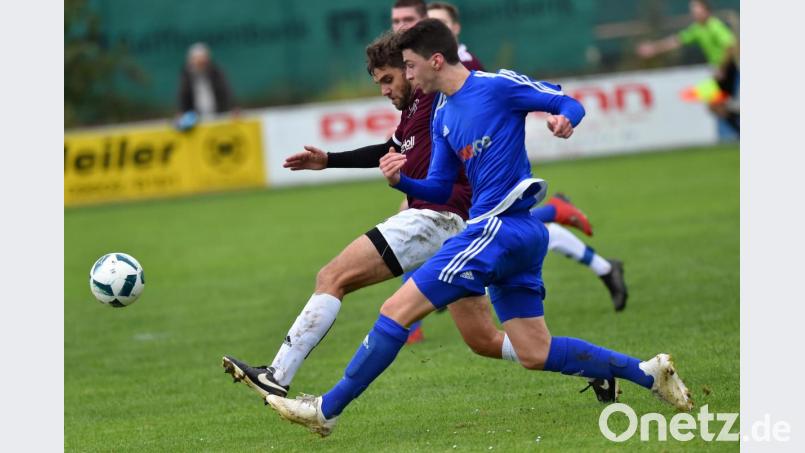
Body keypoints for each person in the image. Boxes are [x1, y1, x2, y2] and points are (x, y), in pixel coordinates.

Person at [266, 20, 692, 436]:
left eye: (410, 66)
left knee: (395, 311)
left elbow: (565, 101)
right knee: (533, 351)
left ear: (435, 61)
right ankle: (647, 374)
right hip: (516, 237)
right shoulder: (443, 116)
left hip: (496, 229)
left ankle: (327, 410)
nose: (408, 75)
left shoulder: (496, 86)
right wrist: (401, 182)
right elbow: (437, 185)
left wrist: (567, 119)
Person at [222, 31, 621, 412]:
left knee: (333, 277)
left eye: (392, 77)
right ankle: (595, 367)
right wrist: (329, 160)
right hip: (463, 231)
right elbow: (390, 148)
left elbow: (470, 74)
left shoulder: (438, 96)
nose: (387, 88)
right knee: (483, 340)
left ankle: (278, 375)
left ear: (417, 66)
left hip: (437, 218)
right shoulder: (416, 111)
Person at [636, 0, 739, 134]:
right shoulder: (698, 29)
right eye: (693, 10)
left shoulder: (714, 26)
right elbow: (676, 40)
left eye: (697, 10)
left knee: (716, 105)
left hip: (727, 69)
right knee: (716, 106)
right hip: (721, 70)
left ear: (707, 11)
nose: (694, 13)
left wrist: (722, 68)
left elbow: (730, 46)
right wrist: (654, 48)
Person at [176, 42, 237, 128]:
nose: (200, 62)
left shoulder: (216, 73)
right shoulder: (187, 76)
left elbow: (226, 91)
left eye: (202, 59)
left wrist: (233, 107)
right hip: (196, 119)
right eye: (197, 59)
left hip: (219, 115)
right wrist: (181, 112)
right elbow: (183, 95)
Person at [426, 1, 485, 71]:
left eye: (441, 22)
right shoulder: (422, 63)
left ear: (456, 28)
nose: (435, 27)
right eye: (430, 23)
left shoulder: (471, 64)